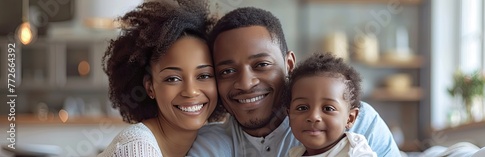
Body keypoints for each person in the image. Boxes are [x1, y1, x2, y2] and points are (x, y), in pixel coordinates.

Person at [188, 7, 401, 157]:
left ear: (289, 64)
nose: (245, 83)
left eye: (261, 65)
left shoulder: (360, 124)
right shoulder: (210, 144)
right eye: (227, 71)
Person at [98, 1, 228, 156]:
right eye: (173, 79)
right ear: (150, 87)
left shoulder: (209, 142)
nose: (191, 91)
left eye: (204, 76)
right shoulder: (137, 148)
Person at [286, 52, 376, 157]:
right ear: (289, 115)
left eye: (328, 108)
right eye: (302, 108)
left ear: (350, 118)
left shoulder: (355, 153)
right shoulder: (294, 153)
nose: (314, 117)